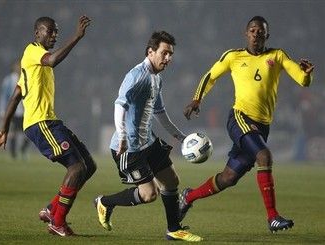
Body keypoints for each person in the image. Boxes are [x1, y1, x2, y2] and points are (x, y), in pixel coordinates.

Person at [181, 16, 314, 233]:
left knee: (229, 177)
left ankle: (188, 196)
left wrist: (307, 75)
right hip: (240, 118)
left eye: (260, 31)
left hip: (262, 126)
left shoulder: (277, 56)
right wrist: (198, 98)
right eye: (252, 30)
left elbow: (301, 80)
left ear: (266, 36)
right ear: (246, 33)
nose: (256, 34)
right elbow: (210, 76)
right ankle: (272, 217)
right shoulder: (233, 56)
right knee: (264, 156)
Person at [0, 16, 96, 237]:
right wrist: (76, 36)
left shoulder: (33, 66)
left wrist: (4, 129)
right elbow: (53, 60)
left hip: (49, 120)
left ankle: (51, 210)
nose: (54, 35)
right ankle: (58, 222)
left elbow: (16, 96)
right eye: (50, 31)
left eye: (56, 32)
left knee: (89, 165)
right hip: (40, 122)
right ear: (37, 33)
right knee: (76, 168)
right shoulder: (33, 51)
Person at [94, 31, 203, 242]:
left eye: (171, 54)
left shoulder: (156, 78)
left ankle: (174, 229)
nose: (168, 58)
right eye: (164, 53)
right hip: (129, 148)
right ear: (150, 52)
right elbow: (119, 105)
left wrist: (181, 137)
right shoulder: (136, 76)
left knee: (171, 181)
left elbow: (160, 113)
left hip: (149, 142)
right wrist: (124, 137)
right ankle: (105, 202)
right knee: (148, 195)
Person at [0, 61, 30, 160]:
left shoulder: (27, 78)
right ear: (14, 67)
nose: (19, 68)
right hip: (13, 111)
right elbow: (4, 96)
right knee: (12, 132)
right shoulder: (8, 80)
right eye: (17, 66)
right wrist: (2, 110)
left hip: (25, 111)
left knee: (28, 133)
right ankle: (13, 154)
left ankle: (23, 150)